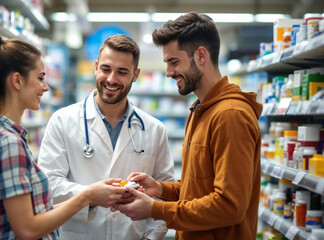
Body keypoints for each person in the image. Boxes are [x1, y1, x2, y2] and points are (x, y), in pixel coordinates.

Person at [0, 30, 127, 239]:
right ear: (17, 81)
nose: (46, 87)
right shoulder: (8, 143)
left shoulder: (3, 135)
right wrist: (87, 195)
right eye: (40, 78)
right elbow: (27, 229)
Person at [112, 12, 263, 240]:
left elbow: (230, 206)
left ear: (201, 55)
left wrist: (155, 209)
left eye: (174, 62)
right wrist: (161, 189)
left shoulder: (230, 115)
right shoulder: (200, 110)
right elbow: (198, 188)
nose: (169, 72)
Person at [37, 34, 175, 240]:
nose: (111, 79)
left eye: (122, 72)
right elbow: (48, 186)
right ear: (96, 67)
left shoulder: (154, 129)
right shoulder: (62, 121)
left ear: (135, 75)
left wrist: (151, 238)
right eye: (105, 69)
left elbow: (164, 195)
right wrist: (91, 195)